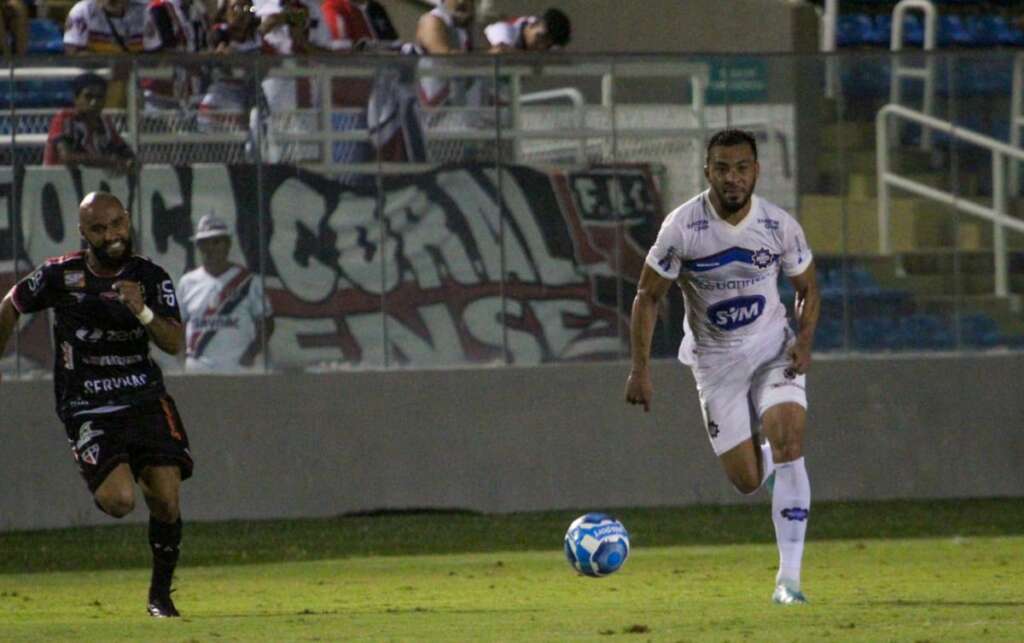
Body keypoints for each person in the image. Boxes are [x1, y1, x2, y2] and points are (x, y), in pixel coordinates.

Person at [624, 129, 820, 605]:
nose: (733, 178)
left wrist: (806, 340)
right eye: (723, 168)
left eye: (742, 168)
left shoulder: (779, 226)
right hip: (715, 364)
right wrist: (640, 369)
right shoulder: (682, 228)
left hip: (773, 348)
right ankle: (768, 458)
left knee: (790, 438)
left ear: (756, 171)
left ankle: (789, 582)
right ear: (707, 171)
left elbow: (807, 288)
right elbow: (648, 296)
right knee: (748, 481)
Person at [0, 192, 193, 618]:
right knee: (120, 501)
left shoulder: (151, 277)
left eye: (117, 225)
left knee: (166, 496)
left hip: (142, 395)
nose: (112, 236)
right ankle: (106, 465)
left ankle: (160, 597)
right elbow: (12, 303)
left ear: (127, 220)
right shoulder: (60, 275)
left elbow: (174, 342)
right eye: (99, 229)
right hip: (87, 402)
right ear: (83, 233)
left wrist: (141, 311)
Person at [177, 214, 274, 373]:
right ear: (198, 247)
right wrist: (183, 360)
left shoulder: (248, 281)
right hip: (198, 370)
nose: (210, 247)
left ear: (228, 244)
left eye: (216, 241)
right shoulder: (187, 282)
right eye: (204, 243)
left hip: (238, 369)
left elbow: (266, 323)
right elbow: (177, 326)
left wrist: (251, 354)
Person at [43, 72, 137, 175]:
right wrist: (109, 161)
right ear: (76, 98)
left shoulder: (105, 123)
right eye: (88, 97)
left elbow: (125, 151)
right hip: (58, 182)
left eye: (99, 97)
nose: (94, 102)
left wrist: (131, 162)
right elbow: (67, 157)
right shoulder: (64, 119)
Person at [484, 7, 571, 52]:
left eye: (547, 46)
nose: (541, 47)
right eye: (542, 38)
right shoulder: (505, 29)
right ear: (533, 25)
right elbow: (499, 52)